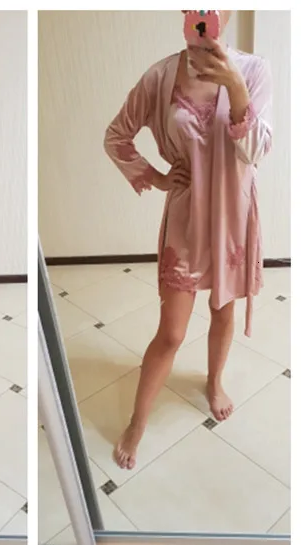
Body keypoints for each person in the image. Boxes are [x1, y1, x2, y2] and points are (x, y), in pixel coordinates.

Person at [104, 10, 272, 470]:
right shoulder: (160, 76)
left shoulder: (254, 70)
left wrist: (235, 86)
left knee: (223, 310)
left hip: (232, 218)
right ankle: (138, 421)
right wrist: (156, 177)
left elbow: (257, 150)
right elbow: (116, 136)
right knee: (172, 333)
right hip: (186, 219)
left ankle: (214, 381)